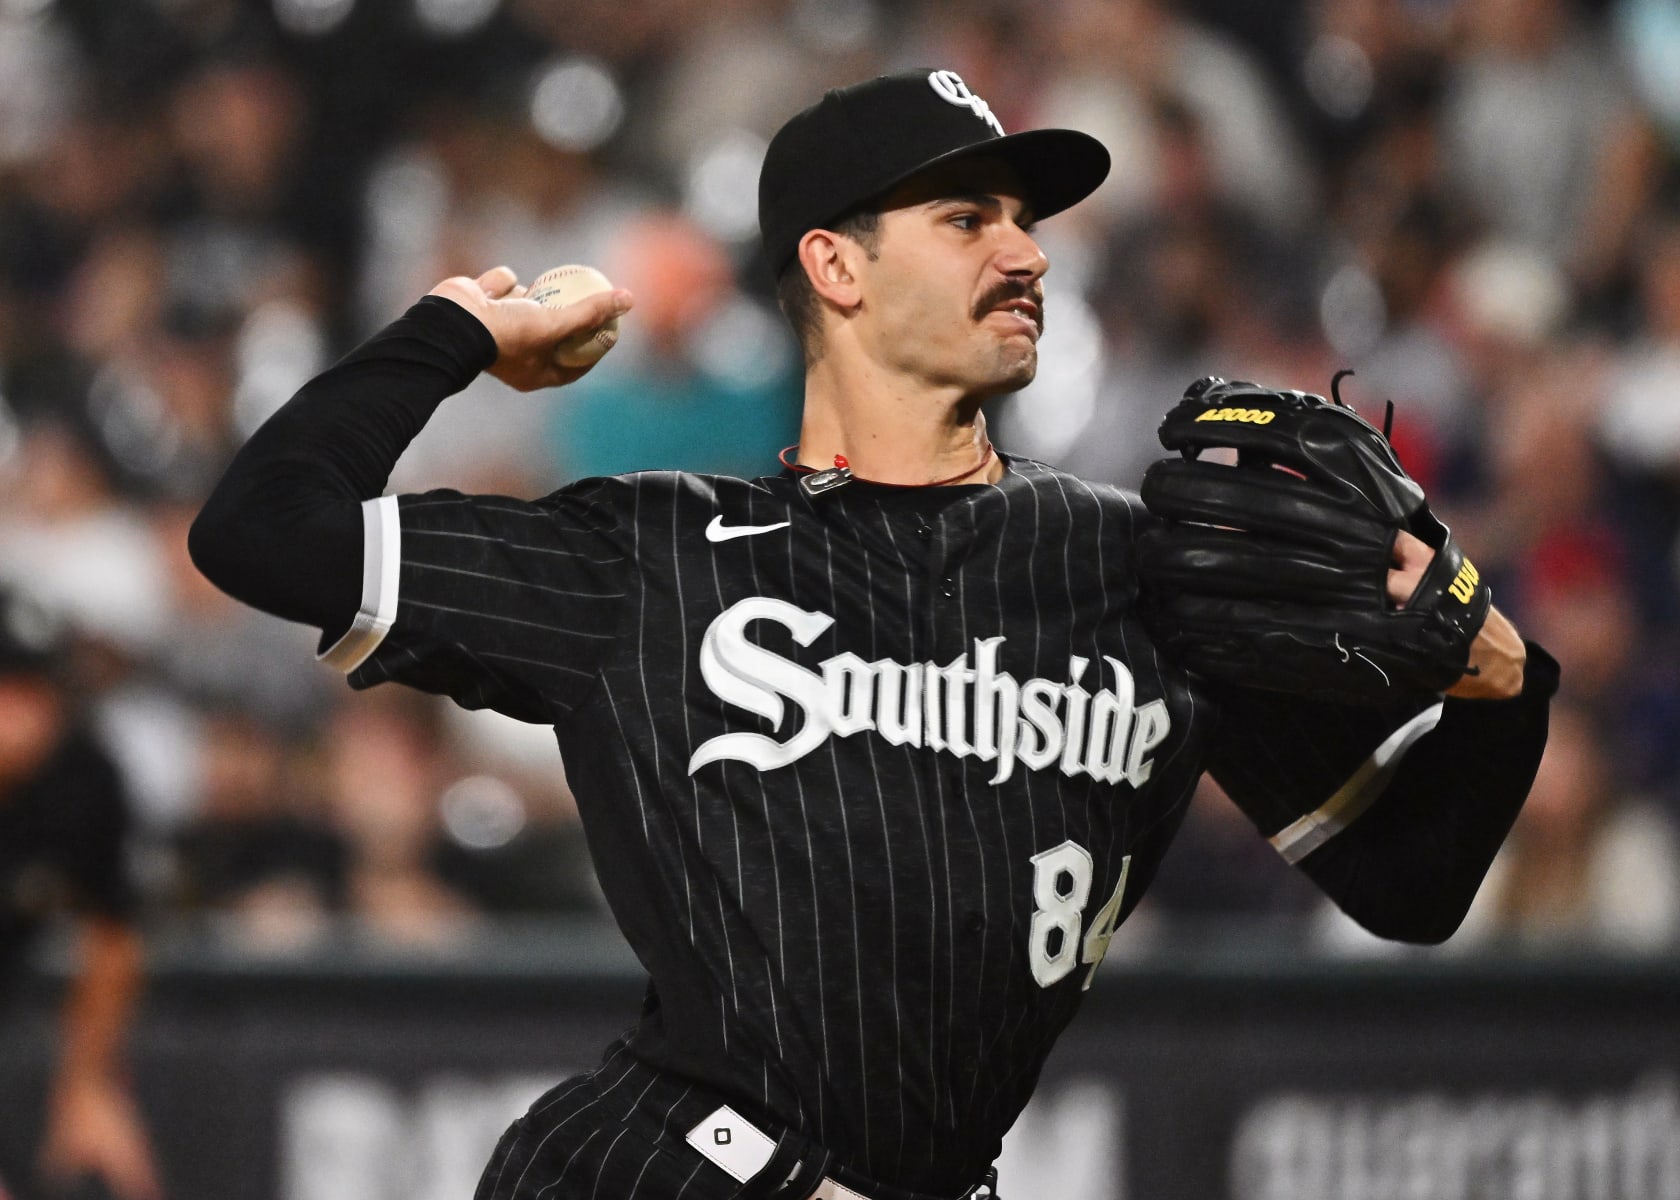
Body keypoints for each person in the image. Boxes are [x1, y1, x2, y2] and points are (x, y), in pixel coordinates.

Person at [190, 69, 1556, 1200]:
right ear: (835, 266)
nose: (1025, 253)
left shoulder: (1133, 571)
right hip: (666, 1173)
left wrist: (1502, 682)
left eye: (1026, 223)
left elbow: (1406, 887)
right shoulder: (655, 557)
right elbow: (261, 526)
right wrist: (456, 332)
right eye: (968, 218)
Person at [0, 592, 162, 1200]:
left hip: (15, 1013)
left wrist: (89, 1084)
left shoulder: (82, 777)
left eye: (38, 691)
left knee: (104, 1174)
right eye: (7, 688)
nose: (26, 714)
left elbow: (112, 937)